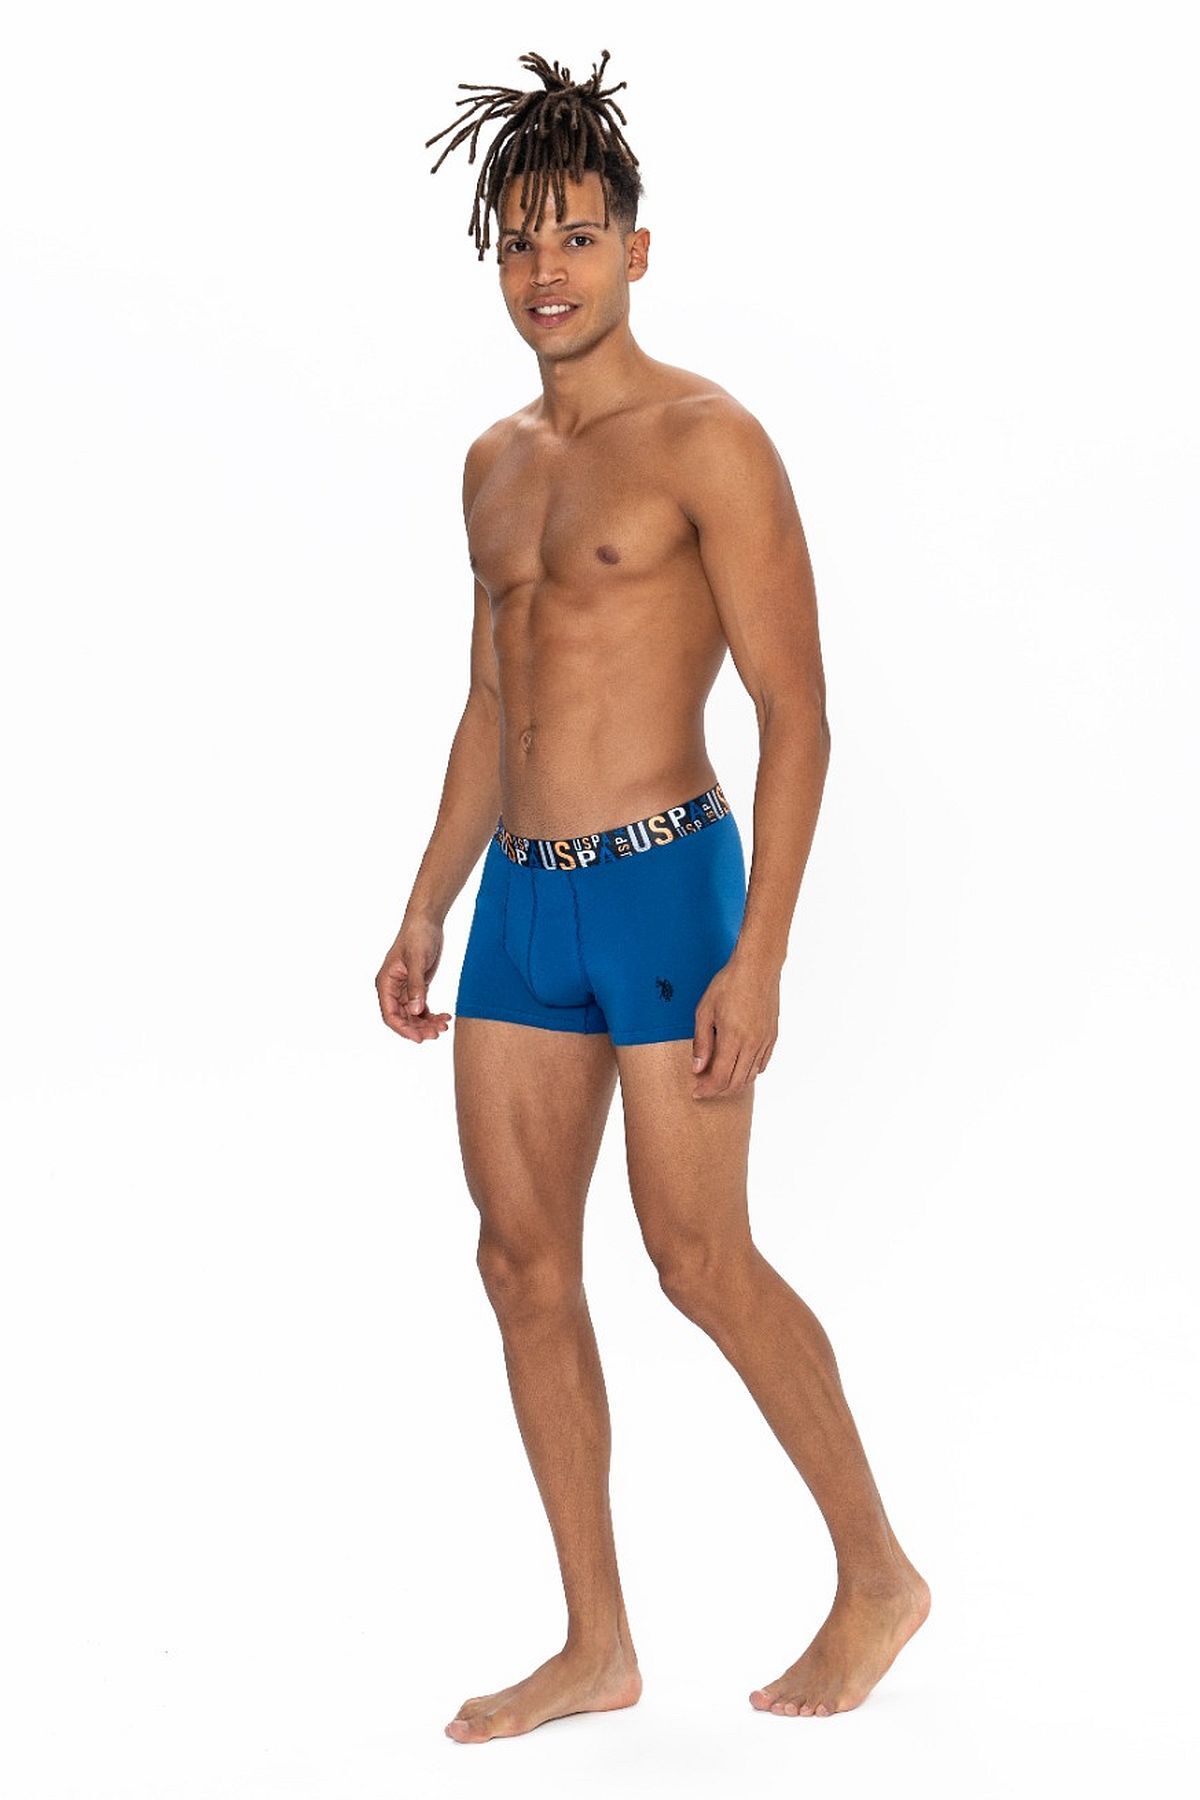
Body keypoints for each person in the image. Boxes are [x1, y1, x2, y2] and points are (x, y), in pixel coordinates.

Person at [375, 49, 930, 1745]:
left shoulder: (709, 441)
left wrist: (762, 954)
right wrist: (426, 904)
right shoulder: (492, 465)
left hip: (670, 890)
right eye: (519, 242)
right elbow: (493, 697)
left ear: (635, 246)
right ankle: (596, 1644)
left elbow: (798, 712)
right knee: (519, 1262)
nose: (546, 270)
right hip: (523, 908)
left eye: (576, 236)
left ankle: (878, 1575)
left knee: (697, 1256)